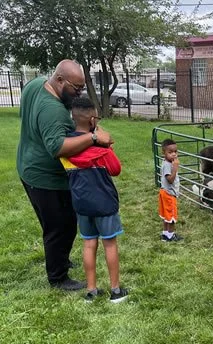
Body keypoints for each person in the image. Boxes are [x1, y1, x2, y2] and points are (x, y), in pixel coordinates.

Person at [17, 59, 113, 290]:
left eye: (82, 87)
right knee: (61, 226)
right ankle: (58, 277)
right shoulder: (55, 112)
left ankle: (59, 258)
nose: (79, 92)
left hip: (27, 167)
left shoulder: (35, 84)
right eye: (76, 88)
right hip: (45, 178)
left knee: (51, 222)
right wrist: (93, 138)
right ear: (59, 80)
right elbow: (58, 147)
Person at [60, 97, 129, 303]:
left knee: (89, 244)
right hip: (105, 204)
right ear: (92, 120)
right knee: (110, 244)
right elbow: (116, 169)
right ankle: (115, 291)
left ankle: (91, 291)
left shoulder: (67, 147)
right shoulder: (101, 147)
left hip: (81, 204)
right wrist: (107, 145)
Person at [158, 139, 183, 242]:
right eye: (170, 152)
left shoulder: (167, 163)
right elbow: (170, 179)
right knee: (171, 216)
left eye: (175, 152)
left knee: (166, 215)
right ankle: (170, 235)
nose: (173, 154)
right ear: (164, 153)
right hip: (169, 194)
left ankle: (165, 234)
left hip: (165, 192)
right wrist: (175, 168)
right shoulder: (168, 165)